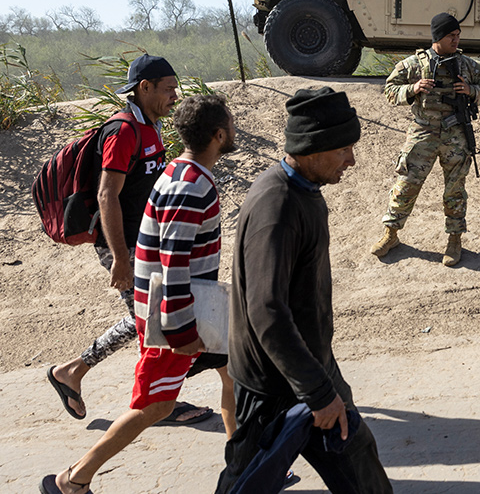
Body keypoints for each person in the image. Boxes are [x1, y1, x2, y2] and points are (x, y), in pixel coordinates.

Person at [40, 94, 238, 494]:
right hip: (177, 317)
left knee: (236, 377)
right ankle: (73, 479)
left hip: (189, 310)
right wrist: (180, 331)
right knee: (154, 406)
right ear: (219, 135)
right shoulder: (191, 185)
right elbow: (174, 260)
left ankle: (245, 468)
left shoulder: (179, 171)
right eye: (231, 126)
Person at [216, 87, 392, 493]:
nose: (351, 160)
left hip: (311, 367)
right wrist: (316, 391)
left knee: (361, 467)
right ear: (312, 149)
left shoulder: (304, 191)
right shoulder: (277, 206)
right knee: (246, 483)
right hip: (273, 385)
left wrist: (321, 383)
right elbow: (266, 310)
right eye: (343, 149)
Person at [46, 54, 212, 426]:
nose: (175, 95)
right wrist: (120, 257)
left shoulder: (150, 127)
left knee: (148, 318)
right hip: (123, 244)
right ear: (144, 87)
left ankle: (72, 372)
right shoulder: (123, 131)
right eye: (168, 89)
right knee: (153, 322)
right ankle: (158, 404)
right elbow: (107, 195)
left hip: (146, 242)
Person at [370, 12, 480, 267]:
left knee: (455, 190)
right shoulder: (413, 65)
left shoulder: (469, 66)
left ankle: (454, 240)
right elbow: (389, 90)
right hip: (422, 133)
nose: (456, 40)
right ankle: (391, 234)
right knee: (406, 184)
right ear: (437, 37)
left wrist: (471, 90)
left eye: (458, 35)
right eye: (451, 36)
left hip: (456, 134)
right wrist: (413, 88)